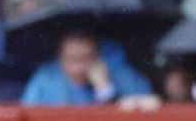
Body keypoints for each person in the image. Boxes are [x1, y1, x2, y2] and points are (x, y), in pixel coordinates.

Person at [20, 30, 154, 104]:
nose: (79, 67)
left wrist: (106, 90)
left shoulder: (122, 74)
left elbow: (147, 109)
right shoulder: (45, 80)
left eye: (86, 58)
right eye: (72, 59)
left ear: (98, 57)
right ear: (60, 59)